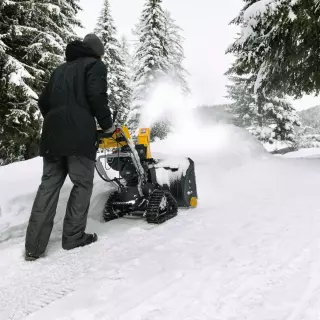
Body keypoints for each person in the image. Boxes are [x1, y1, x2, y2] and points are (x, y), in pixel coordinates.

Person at [24, 34, 115, 261]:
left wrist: (57, 120)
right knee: (82, 184)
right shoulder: (95, 65)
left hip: (52, 138)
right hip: (79, 139)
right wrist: (107, 125)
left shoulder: (59, 70)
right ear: (97, 52)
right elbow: (97, 96)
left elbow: (43, 102)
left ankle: (33, 247)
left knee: (48, 187)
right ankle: (73, 237)